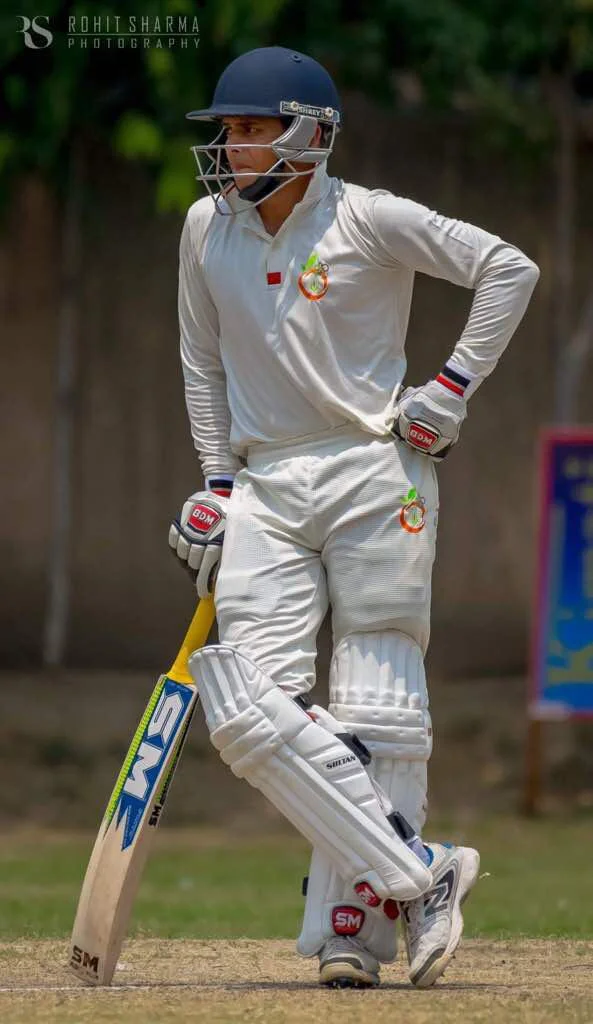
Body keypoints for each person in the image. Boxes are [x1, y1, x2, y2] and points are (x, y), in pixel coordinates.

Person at [169, 46, 539, 989]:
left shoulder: (369, 216)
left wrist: (449, 389)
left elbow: (506, 267)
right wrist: (214, 483)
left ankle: (353, 931)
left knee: (382, 715)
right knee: (249, 717)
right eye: (228, 130)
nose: (231, 146)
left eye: (253, 128)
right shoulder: (204, 228)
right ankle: (421, 875)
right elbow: (201, 367)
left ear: (313, 134)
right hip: (266, 483)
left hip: (379, 466)